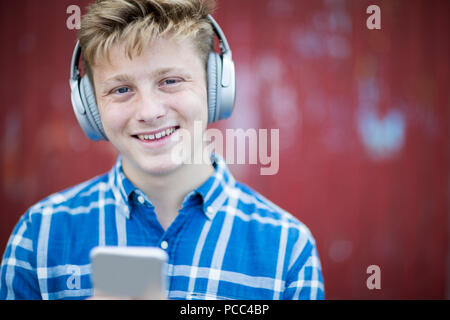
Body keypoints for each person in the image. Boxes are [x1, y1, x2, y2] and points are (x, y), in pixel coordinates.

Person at [0, 0, 324, 300]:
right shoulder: (39, 236)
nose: (149, 111)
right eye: (121, 89)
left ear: (216, 87)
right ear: (90, 107)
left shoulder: (287, 249)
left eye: (170, 81)